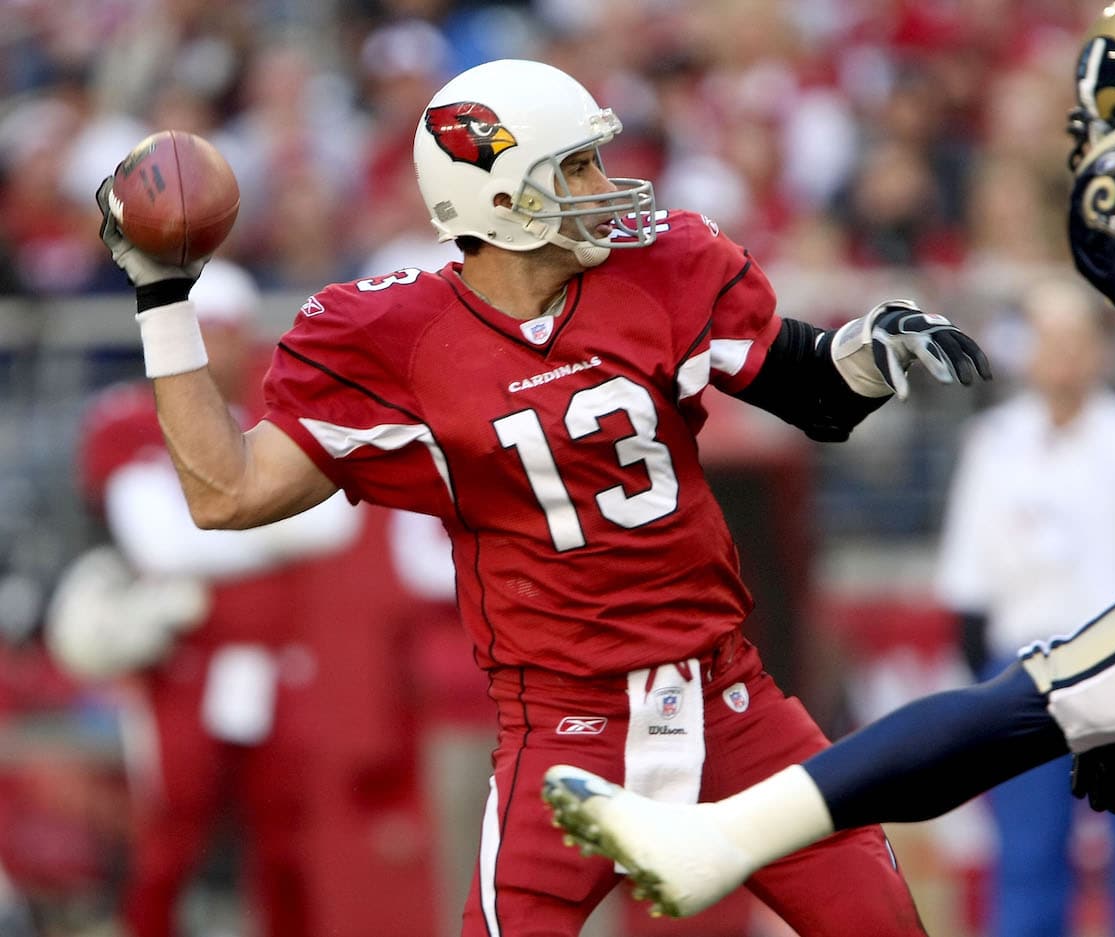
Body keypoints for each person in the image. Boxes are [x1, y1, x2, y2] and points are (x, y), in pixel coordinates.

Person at [93, 58, 992, 936]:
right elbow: (228, 493)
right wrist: (165, 298)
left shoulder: (662, 266)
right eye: (574, 167)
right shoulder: (391, 337)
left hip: (733, 701)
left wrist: (874, 348)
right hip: (566, 729)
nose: (604, 183)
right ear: (497, 198)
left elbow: (812, 392)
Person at [539, 0, 1115, 922]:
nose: (1089, 122)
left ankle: (721, 836)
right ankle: (723, 836)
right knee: (1054, 698)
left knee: (1029, 703)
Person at [44, 260, 438, 937]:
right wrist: (265, 517)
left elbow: (330, 523)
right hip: (184, 664)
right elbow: (161, 541)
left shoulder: (282, 407)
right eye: (195, 331)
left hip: (284, 664)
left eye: (222, 331)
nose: (209, 347)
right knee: (170, 832)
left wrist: (224, 512)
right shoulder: (133, 419)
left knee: (290, 838)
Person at [934, 280, 1115, 937]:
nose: (1064, 357)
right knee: (1026, 850)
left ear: (1099, 352)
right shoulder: (994, 443)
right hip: (1027, 665)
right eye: (1051, 342)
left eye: (1076, 341)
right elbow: (969, 578)